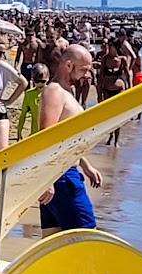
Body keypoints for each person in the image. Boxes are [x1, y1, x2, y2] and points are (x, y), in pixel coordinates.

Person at [36, 45, 103, 231]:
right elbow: (46, 136)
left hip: (63, 172)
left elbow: (65, 138)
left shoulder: (67, 92)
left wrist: (85, 164)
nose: (87, 75)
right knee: (86, 234)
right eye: (84, 69)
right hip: (60, 175)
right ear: (68, 65)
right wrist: (47, 180)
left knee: (52, 241)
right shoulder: (55, 92)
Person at [15, 63, 48, 139]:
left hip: (49, 132)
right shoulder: (29, 94)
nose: (39, 83)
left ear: (48, 78)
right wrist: (19, 131)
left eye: (43, 81)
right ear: (32, 80)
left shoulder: (52, 92)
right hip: (35, 134)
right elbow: (23, 114)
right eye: (37, 81)